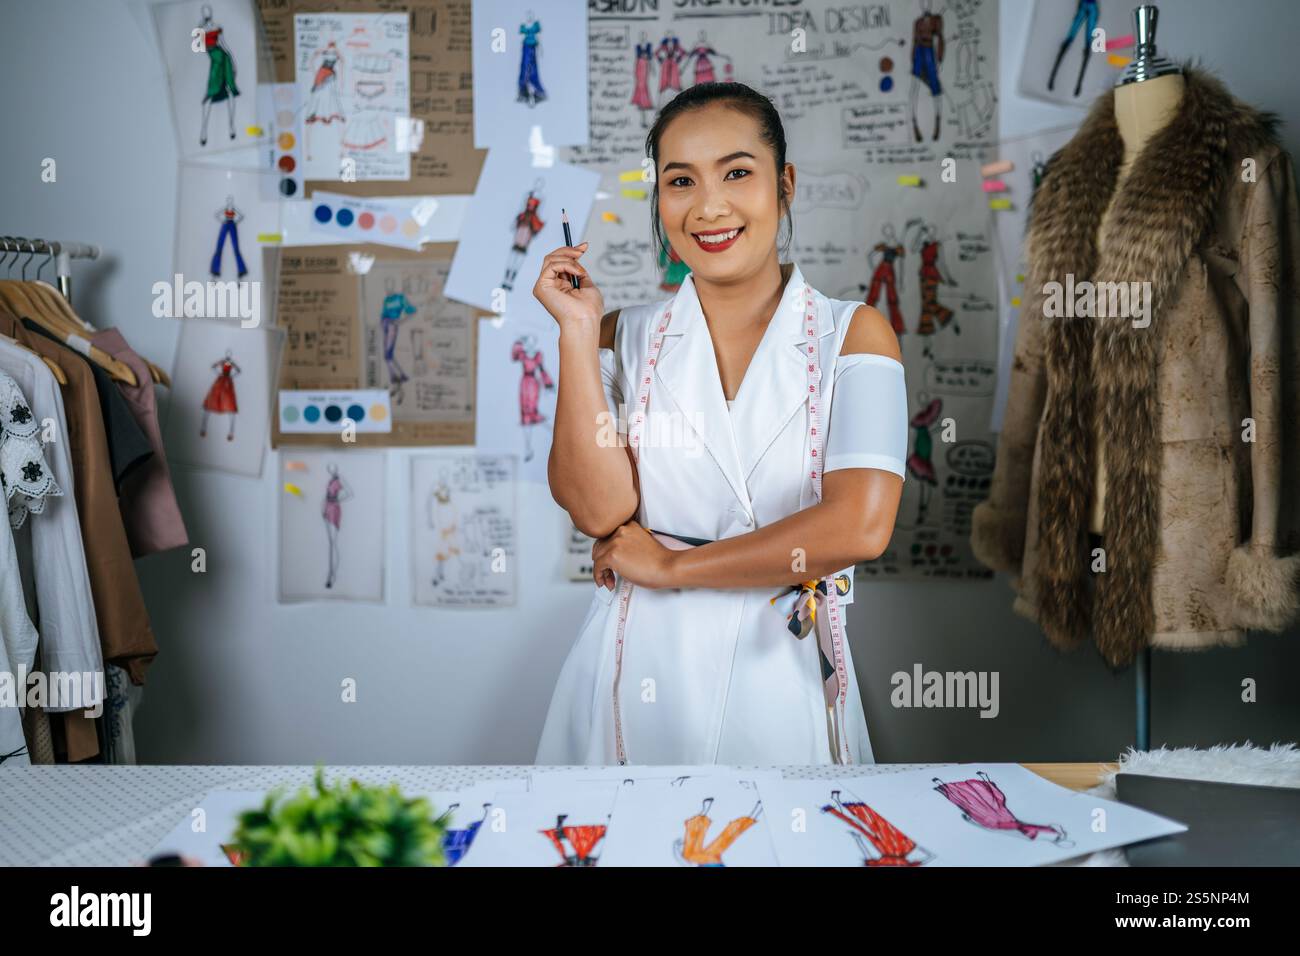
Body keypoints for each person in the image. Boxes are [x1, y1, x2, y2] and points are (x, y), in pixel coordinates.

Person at [534, 82, 908, 766]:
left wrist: (673, 566)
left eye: (737, 172)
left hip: (782, 664)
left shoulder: (852, 335)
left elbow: (858, 525)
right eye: (681, 181)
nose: (708, 206)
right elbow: (599, 509)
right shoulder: (622, 334)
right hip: (635, 662)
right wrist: (577, 336)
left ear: (783, 184)